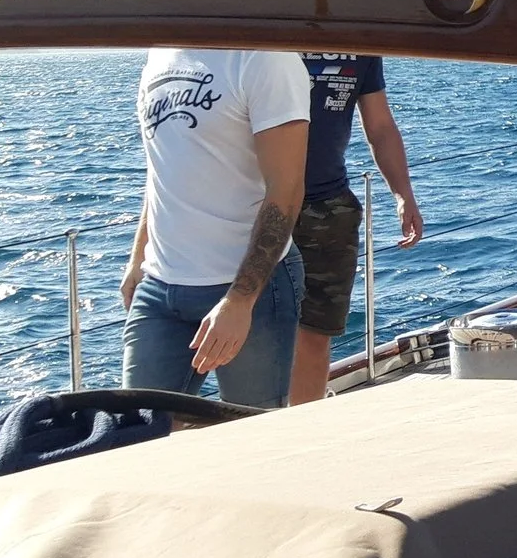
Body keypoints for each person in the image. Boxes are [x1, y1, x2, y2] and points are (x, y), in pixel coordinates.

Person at [122, 48, 312, 408]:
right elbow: (163, 167)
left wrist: (240, 301)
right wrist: (137, 259)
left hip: (249, 289)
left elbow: (285, 190)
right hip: (160, 286)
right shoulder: (160, 54)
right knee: (133, 433)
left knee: (252, 434)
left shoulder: (266, 58)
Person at [288, 54, 426, 405]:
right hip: (253, 207)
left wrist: (403, 196)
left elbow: (379, 126)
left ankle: (299, 432)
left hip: (327, 208)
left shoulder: (359, 43)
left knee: (315, 333)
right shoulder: (274, 28)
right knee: (248, 331)